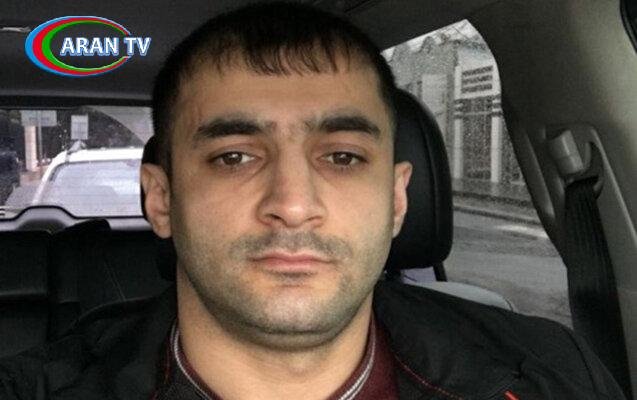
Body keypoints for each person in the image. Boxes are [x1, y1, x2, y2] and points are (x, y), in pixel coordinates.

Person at [0, 2, 627, 399]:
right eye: (234, 157)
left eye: (343, 157)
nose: (294, 205)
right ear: (160, 200)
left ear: (397, 198)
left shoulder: (553, 374)